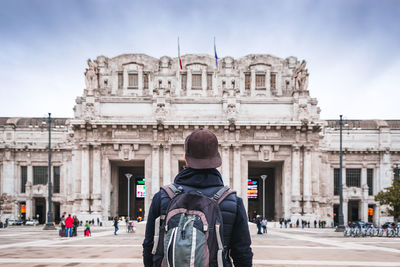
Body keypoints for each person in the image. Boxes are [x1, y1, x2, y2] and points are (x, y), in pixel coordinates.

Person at [143, 129, 253, 267]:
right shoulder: (232, 201)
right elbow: (242, 253)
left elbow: (149, 247)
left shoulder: (162, 197)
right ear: (217, 160)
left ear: (185, 159)